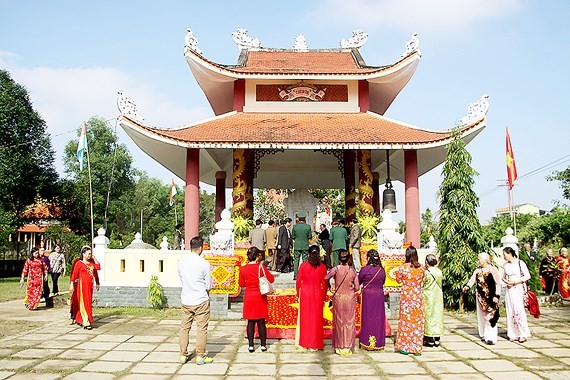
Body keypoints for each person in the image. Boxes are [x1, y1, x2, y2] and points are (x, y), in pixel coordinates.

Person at [178, 236, 213, 365]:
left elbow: (181, 278)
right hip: (200, 299)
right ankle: (200, 356)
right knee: (201, 329)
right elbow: (208, 284)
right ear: (200, 248)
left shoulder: (181, 262)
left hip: (186, 298)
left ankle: (183, 355)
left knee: (184, 328)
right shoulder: (204, 263)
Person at [239, 247, 275, 353]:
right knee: (261, 322)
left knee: (250, 321)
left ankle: (251, 345)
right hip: (260, 296)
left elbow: (241, 284)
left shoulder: (243, 269)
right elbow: (272, 279)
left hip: (249, 296)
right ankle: (263, 345)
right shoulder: (261, 268)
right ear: (257, 257)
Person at [325, 249, 359, 356]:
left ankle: (339, 345)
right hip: (349, 297)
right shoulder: (352, 271)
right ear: (349, 259)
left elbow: (326, 278)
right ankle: (348, 346)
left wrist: (330, 287)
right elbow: (357, 287)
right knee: (349, 321)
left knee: (339, 321)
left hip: (339, 297)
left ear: (338, 259)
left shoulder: (336, 269)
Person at [463, 252, 501, 345]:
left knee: (491, 316)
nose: (478, 261)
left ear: (485, 260)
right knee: (482, 316)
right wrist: (467, 286)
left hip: (491, 297)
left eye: (479, 259)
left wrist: (497, 295)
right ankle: (484, 334)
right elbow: (472, 280)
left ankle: (491, 337)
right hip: (480, 297)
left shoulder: (493, 270)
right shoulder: (477, 270)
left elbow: (498, 283)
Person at [296, 245, 328, 351]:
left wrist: (297, 294)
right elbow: (324, 284)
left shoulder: (303, 266)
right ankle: (315, 343)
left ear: (309, 253)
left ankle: (305, 342)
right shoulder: (323, 267)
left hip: (305, 293)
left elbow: (298, 281)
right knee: (316, 319)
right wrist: (324, 297)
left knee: (305, 319)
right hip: (318, 293)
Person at [395, 246, 425, 356]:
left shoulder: (402, 268)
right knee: (417, 322)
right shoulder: (421, 268)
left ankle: (405, 347)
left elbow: (398, 280)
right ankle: (416, 348)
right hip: (417, 296)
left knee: (406, 321)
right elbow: (422, 279)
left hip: (407, 297)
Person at [358, 249, 386, 351]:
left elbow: (358, 281)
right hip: (378, 295)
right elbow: (383, 282)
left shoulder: (365, 270)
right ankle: (378, 342)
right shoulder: (381, 270)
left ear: (368, 258)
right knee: (378, 318)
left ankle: (367, 341)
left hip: (368, 295)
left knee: (367, 317)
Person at [502, 246, 531, 342]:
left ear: (510, 254)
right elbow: (503, 276)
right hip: (509, 289)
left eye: (505, 254)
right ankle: (513, 333)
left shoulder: (520, 263)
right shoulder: (505, 265)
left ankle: (523, 333)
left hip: (518, 288)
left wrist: (515, 282)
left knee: (518, 309)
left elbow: (527, 276)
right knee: (510, 310)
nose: (504, 256)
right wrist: (506, 281)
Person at [69, 246, 101, 329]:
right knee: (83, 303)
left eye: (91, 254)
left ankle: (83, 319)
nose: (90, 255)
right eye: (88, 254)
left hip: (89, 286)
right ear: (83, 254)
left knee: (88, 303)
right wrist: (71, 284)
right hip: (82, 286)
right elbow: (74, 275)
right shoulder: (79, 263)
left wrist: (94, 258)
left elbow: (98, 267)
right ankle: (86, 322)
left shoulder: (91, 264)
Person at [422, 254, 444, 347]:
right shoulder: (439, 272)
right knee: (438, 316)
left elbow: (423, 284)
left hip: (428, 295)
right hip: (438, 295)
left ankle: (429, 338)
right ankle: (437, 338)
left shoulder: (426, 273)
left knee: (428, 317)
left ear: (426, 262)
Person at [291, 213, 312, 280]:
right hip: (305, 245)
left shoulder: (295, 227)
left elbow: (293, 236)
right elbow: (309, 236)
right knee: (305, 260)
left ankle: (295, 275)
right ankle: (305, 275)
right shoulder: (308, 227)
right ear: (305, 219)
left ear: (298, 219)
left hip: (297, 245)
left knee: (296, 260)